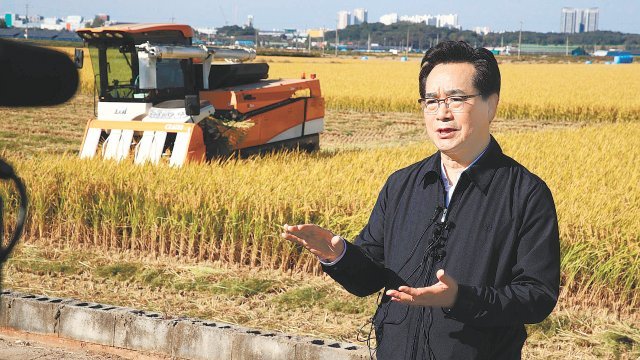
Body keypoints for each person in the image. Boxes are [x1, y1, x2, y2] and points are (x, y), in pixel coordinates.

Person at [281, 41, 560, 360]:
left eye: (456, 99)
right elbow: (369, 278)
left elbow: (537, 295)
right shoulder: (402, 185)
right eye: (431, 101)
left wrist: (460, 298)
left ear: (490, 104)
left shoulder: (526, 193)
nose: (442, 113)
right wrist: (338, 254)